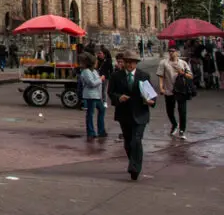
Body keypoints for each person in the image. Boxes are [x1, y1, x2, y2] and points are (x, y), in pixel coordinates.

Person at [109, 50, 156, 181]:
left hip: (140, 113)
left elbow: (151, 95)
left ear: (136, 63)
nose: (130, 65)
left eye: (133, 63)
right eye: (127, 62)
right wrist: (118, 98)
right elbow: (111, 93)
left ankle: (135, 168)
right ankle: (133, 160)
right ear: (123, 62)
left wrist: (150, 101)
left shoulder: (143, 76)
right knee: (128, 142)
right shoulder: (116, 76)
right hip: (124, 114)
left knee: (136, 140)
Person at [157, 46, 193, 139]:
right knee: (169, 110)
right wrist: (161, 87)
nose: (171, 53)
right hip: (169, 89)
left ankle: (182, 130)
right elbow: (161, 76)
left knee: (182, 111)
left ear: (177, 52)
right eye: (169, 51)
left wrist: (183, 73)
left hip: (181, 90)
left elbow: (190, 76)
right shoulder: (164, 63)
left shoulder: (183, 63)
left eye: (173, 51)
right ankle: (174, 124)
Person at [79, 54, 107, 140]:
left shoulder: (94, 71)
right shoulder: (86, 72)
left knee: (101, 110)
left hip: (96, 95)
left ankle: (101, 130)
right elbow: (92, 83)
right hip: (91, 95)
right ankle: (91, 132)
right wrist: (100, 79)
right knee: (90, 113)